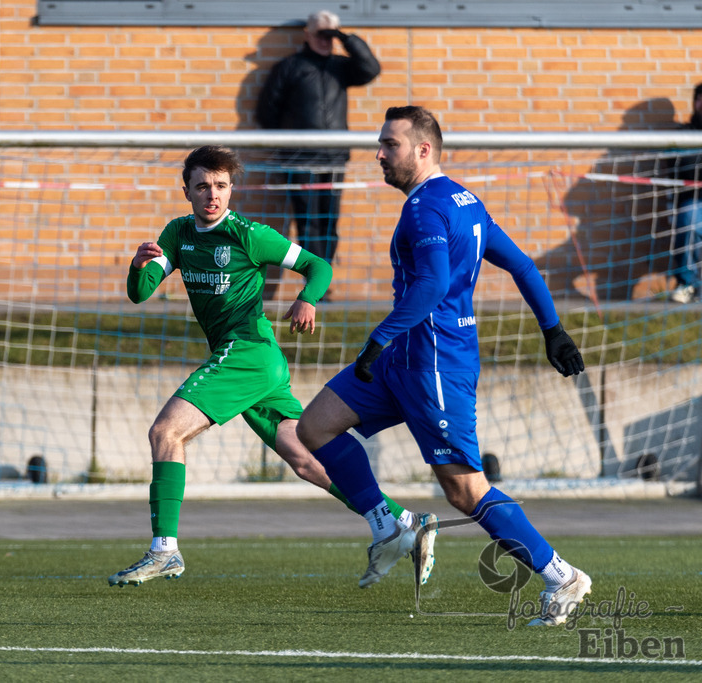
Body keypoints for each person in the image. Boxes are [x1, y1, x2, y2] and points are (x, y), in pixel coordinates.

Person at [295, 107, 592, 626]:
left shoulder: (426, 208)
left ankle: (560, 575)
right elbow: (521, 264)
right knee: (315, 426)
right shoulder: (464, 199)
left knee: (464, 490)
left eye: (390, 144)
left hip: (433, 362)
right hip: (403, 361)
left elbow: (432, 285)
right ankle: (389, 524)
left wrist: (377, 338)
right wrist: (552, 329)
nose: (380, 154)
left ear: (423, 150)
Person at [109, 145, 437, 587]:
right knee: (304, 460)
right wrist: (137, 267)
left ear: (231, 189)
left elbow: (317, 266)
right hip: (254, 363)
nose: (212, 195)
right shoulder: (177, 233)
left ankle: (163, 549)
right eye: (203, 186)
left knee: (165, 432)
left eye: (221, 186)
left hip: (247, 351)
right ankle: (406, 522)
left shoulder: (248, 234)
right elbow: (141, 291)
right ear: (185, 189)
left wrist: (308, 298)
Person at [254, 9, 381, 265]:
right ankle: (314, 278)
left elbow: (371, 68)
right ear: (307, 35)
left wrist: (345, 38)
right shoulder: (290, 67)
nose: (325, 41)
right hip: (300, 159)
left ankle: (325, 276)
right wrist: (290, 143)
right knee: (308, 223)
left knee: (329, 221)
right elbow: (266, 112)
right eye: (320, 35)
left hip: (334, 158)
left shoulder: (341, 67)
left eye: (330, 36)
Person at [669, 81, 702, 304]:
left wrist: (701, 162)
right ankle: (686, 284)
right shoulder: (684, 133)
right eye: (699, 97)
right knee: (689, 215)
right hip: (698, 202)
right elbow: (681, 164)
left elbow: (695, 164)